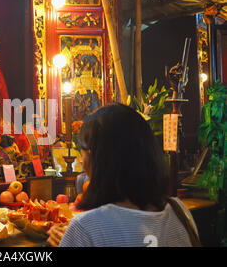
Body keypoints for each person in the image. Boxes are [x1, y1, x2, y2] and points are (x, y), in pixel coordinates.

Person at [47, 103, 198, 247]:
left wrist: (76, 238)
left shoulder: (85, 227)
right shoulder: (178, 210)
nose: (82, 162)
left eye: (83, 153)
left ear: (97, 158)